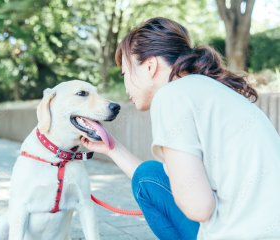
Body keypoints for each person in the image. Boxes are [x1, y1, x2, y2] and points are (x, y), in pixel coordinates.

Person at [80, 17, 280, 240]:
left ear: (149, 66)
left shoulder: (171, 95)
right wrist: (111, 148)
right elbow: (151, 181)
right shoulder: (210, 90)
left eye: (125, 73)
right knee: (148, 175)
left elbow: (198, 208)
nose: (126, 84)